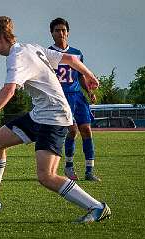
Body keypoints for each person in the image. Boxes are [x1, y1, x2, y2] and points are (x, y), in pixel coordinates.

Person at [0, 16, 110, 223]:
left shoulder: (16, 57)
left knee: (46, 176)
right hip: (40, 114)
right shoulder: (32, 47)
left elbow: (9, 89)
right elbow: (70, 59)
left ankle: (96, 207)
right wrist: (90, 75)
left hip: (54, 117)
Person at [49, 18, 100, 181]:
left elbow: (80, 75)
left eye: (63, 30)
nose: (61, 33)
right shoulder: (48, 53)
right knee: (72, 130)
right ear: (52, 33)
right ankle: (69, 167)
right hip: (61, 98)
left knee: (86, 129)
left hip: (77, 96)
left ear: (68, 32)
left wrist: (89, 92)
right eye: (57, 30)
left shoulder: (77, 53)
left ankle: (89, 170)